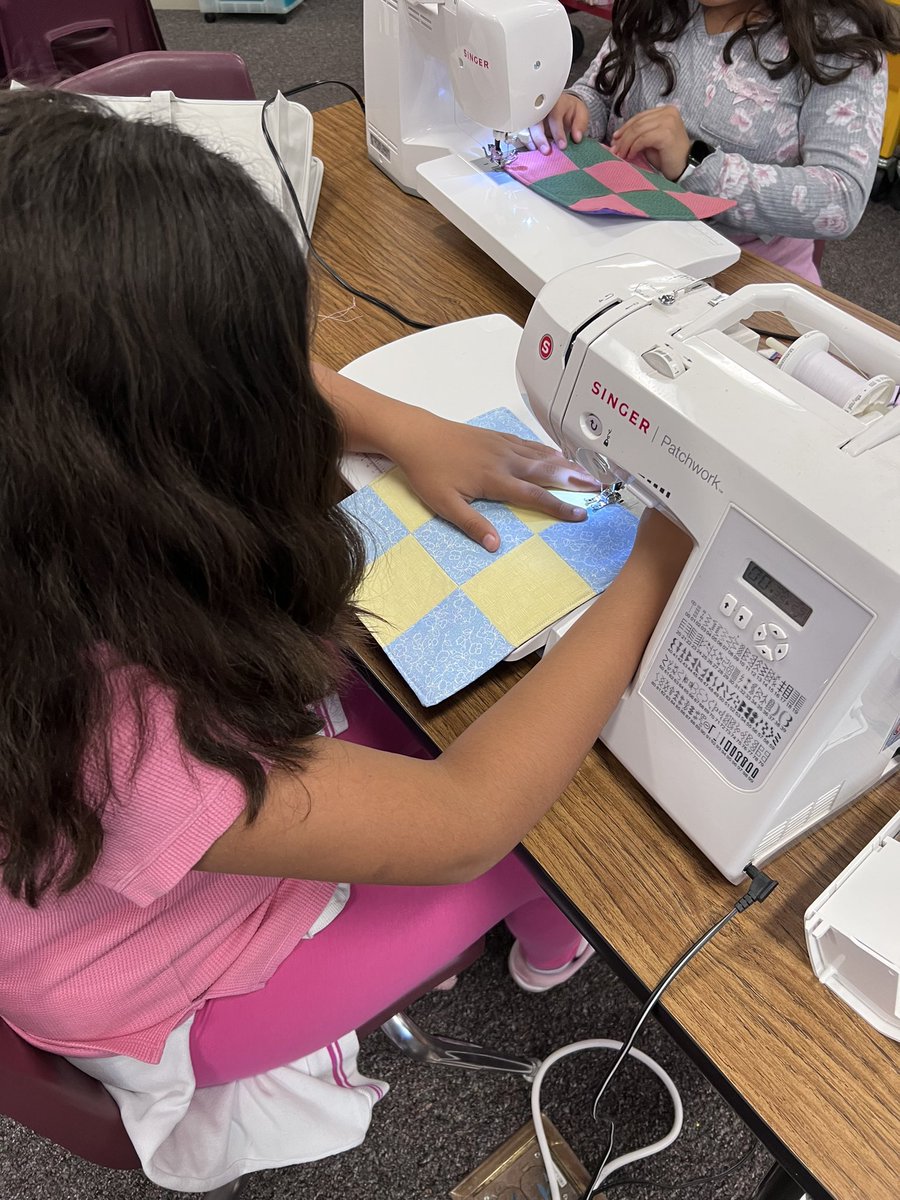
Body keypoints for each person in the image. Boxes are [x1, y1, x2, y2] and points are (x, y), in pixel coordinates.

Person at [0, 89, 691, 1191]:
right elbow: (465, 821)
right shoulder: (133, 745)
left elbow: (199, 379)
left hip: (63, 902)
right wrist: (663, 559)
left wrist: (407, 426)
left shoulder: (43, 525)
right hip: (158, 989)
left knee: (402, 700)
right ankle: (555, 943)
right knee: (558, 832)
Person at [530, 0, 900, 284]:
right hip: (620, 243)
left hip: (742, 278)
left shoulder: (836, 39)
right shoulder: (657, 7)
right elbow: (602, 90)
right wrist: (577, 109)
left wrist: (695, 164)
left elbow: (841, 198)